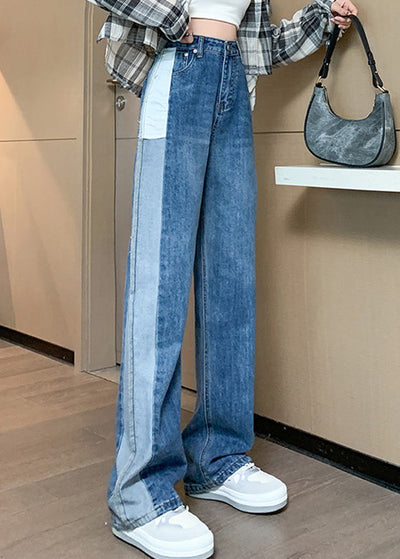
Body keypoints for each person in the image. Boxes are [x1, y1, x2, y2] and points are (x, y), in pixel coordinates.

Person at [87, 1, 358, 558]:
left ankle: (218, 455)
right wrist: (171, 18)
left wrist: (318, 19)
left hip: (233, 81)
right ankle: (139, 490)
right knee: (159, 290)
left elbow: (261, 44)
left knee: (230, 283)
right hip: (179, 71)